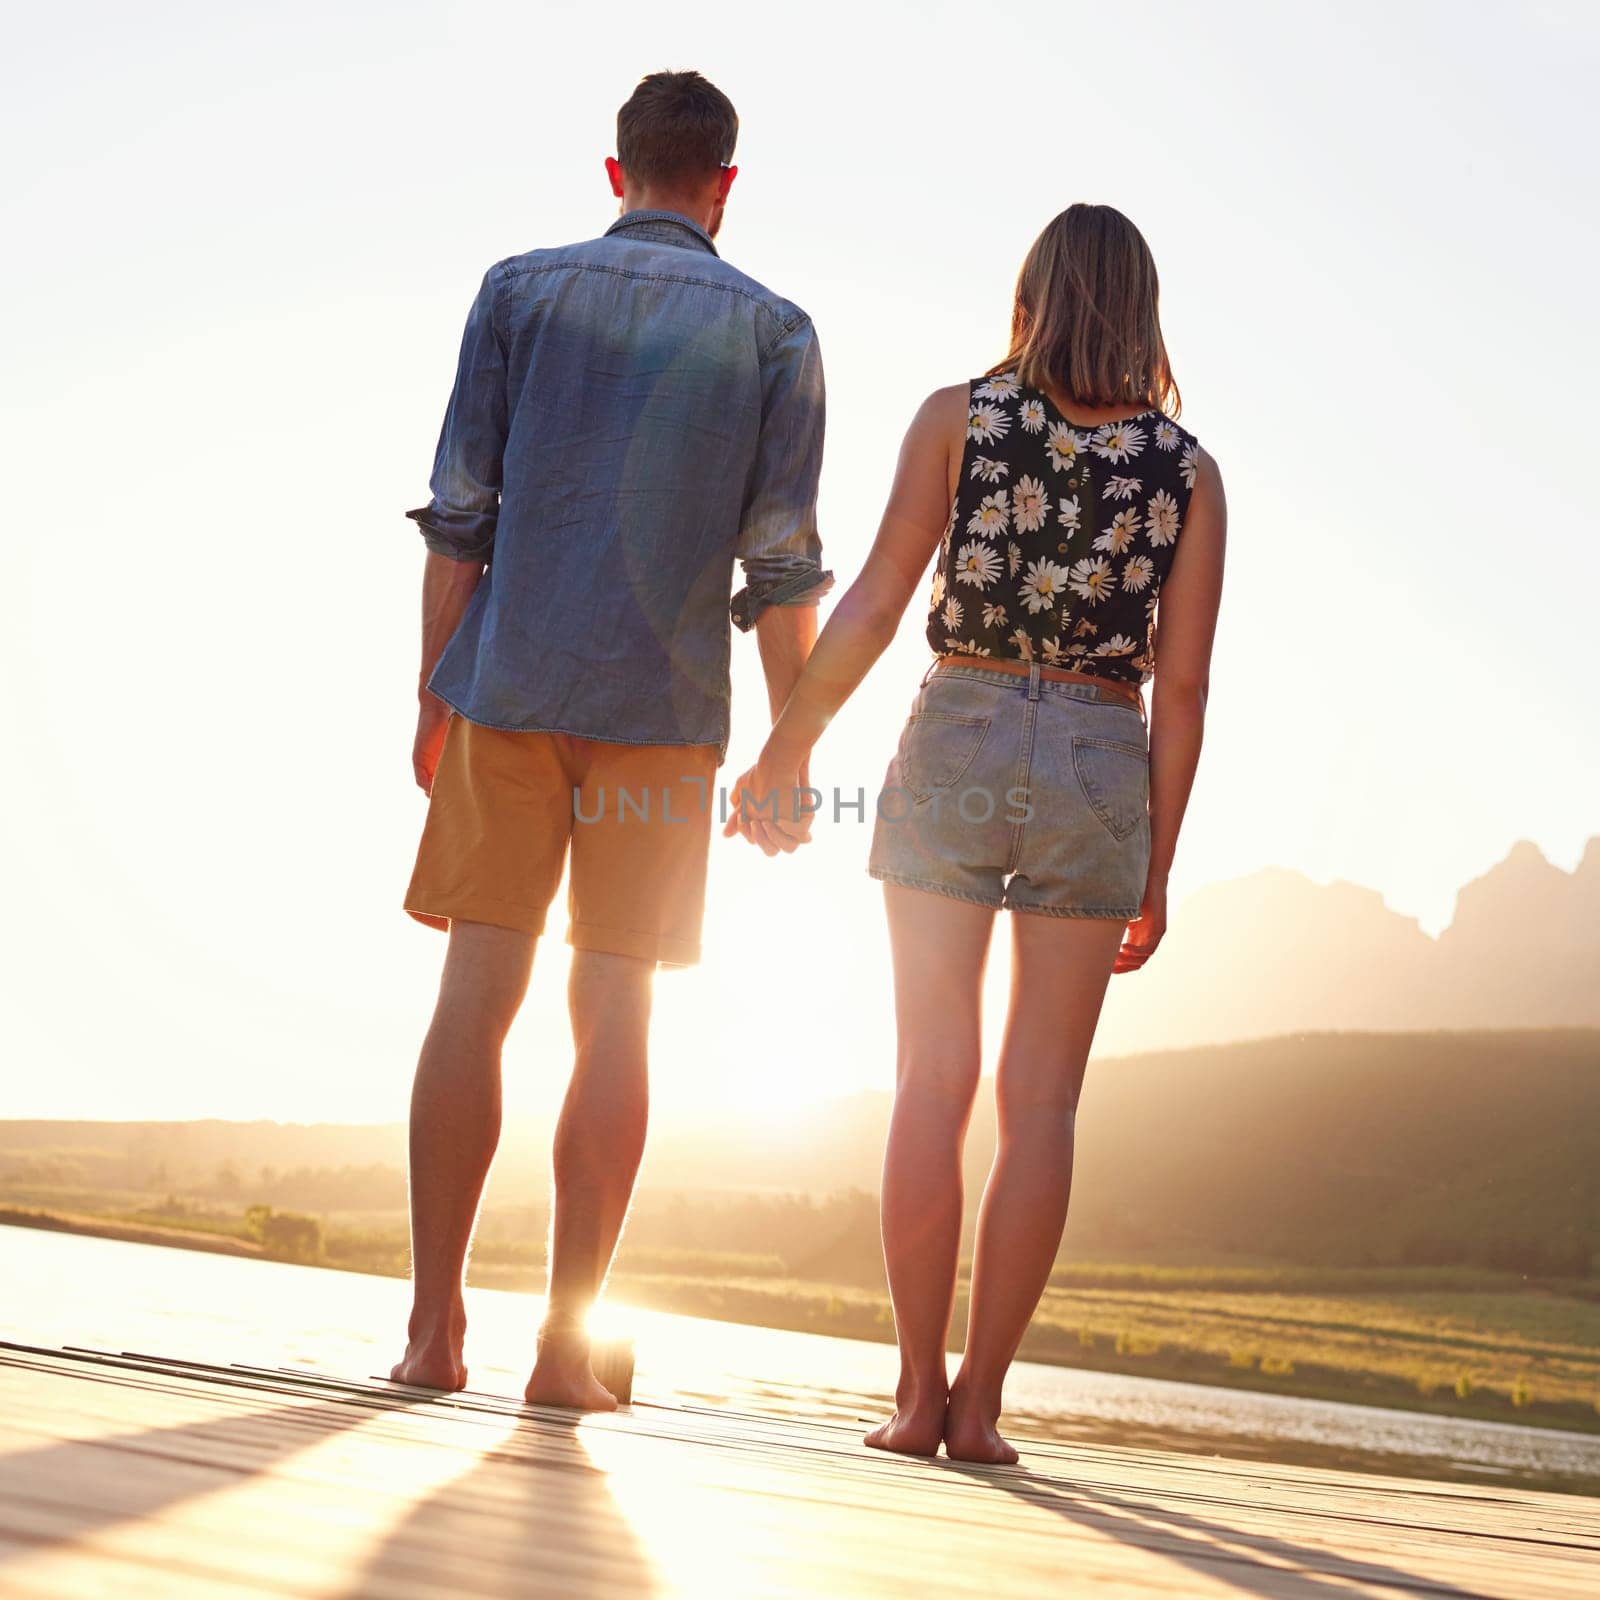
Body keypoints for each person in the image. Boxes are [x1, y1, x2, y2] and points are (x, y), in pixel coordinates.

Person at [726, 203, 1226, 1461]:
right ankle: (984, 1405)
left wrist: (789, 743)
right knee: (1040, 1103)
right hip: (1102, 753)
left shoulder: (961, 418)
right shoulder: (1189, 471)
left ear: (1032, 292)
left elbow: (882, 596)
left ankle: (911, 1392)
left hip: (958, 721)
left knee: (930, 1079)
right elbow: (1188, 687)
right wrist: (1154, 866)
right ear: (1145, 309)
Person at [396, 70, 830, 1410]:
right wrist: (790, 751)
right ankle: (561, 1352)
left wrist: (432, 693)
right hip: (664, 725)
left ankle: (430, 1332)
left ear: (616, 171)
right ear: (726, 185)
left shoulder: (519, 292)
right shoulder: (777, 332)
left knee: (478, 994)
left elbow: (461, 513)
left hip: (508, 685)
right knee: (617, 1009)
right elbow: (782, 565)